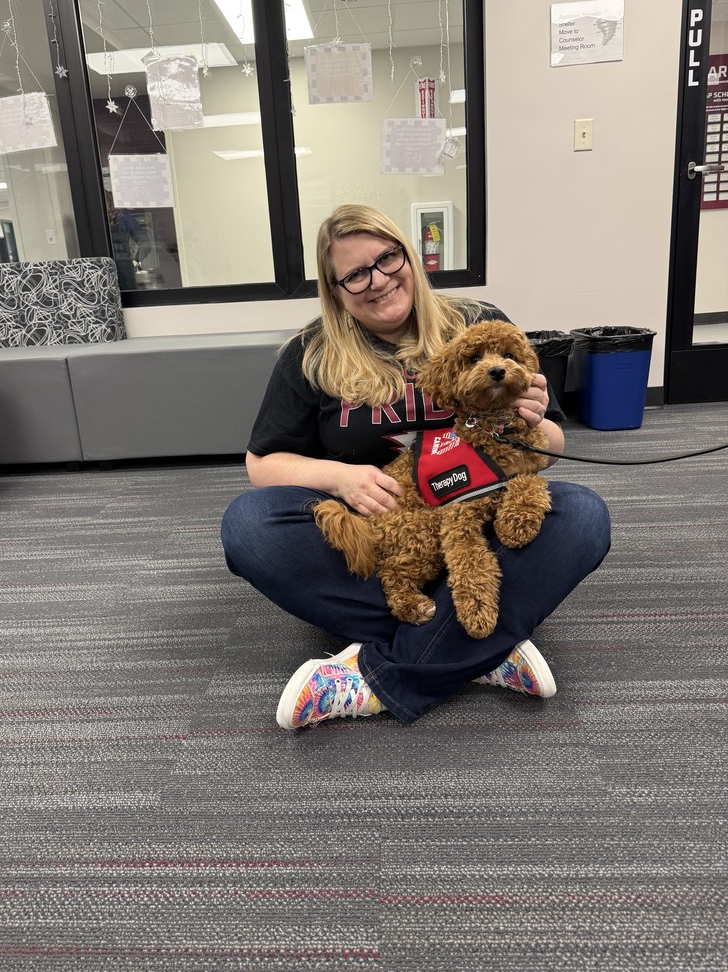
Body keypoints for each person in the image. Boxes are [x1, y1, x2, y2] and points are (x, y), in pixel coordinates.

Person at [220, 204, 611, 730]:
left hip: (478, 514)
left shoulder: (476, 322)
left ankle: (389, 671)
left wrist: (533, 419)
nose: (379, 280)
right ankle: (478, 646)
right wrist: (340, 478)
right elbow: (262, 463)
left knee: (583, 515)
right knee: (249, 525)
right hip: (381, 531)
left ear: (409, 256)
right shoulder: (310, 353)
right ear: (335, 290)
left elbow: (552, 446)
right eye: (356, 274)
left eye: (388, 258)